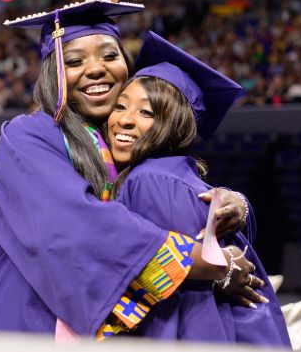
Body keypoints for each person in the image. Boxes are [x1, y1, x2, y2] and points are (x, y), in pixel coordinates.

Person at [0, 0, 258, 338]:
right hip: (24, 322)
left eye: (110, 55)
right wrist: (201, 262)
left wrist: (234, 203)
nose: (95, 69)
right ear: (53, 75)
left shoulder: (124, 140)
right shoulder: (29, 134)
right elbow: (74, 226)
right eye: (74, 61)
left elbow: (178, 197)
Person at [104, 31, 290, 346]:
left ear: (174, 124)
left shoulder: (149, 179)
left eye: (146, 112)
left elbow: (186, 298)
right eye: (120, 106)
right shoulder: (176, 173)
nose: (124, 120)